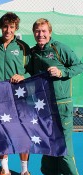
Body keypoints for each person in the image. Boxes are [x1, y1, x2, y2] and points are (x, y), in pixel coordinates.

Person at [26, 18, 83, 175]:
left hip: (62, 105)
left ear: (50, 32)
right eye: (37, 31)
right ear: (33, 33)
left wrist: (62, 72)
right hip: (43, 107)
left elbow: (79, 65)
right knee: (49, 147)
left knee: (64, 149)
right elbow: (28, 73)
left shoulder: (59, 48)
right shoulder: (33, 52)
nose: (40, 34)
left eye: (44, 31)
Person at [0, 12, 31, 175]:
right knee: (2, 131)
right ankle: (4, 169)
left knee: (22, 132)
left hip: (19, 97)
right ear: (1, 27)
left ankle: (24, 171)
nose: (8, 30)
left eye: (11, 27)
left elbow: (33, 71)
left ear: (16, 28)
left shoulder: (23, 47)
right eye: (5, 26)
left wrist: (24, 76)